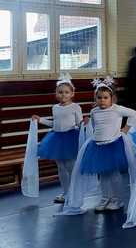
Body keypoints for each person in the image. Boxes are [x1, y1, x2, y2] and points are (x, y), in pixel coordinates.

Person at [76, 78, 136, 212]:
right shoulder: (94, 111)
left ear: (112, 98)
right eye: (99, 98)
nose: (102, 100)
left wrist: (126, 129)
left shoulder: (117, 109)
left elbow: (133, 114)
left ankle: (117, 199)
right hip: (98, 145)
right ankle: (105, 198)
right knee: (103, 175)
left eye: (105, 97)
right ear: (95, 99)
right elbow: (95, 126)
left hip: (113, 145)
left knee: (114, 174)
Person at [31, 75, 83, 203]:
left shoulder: (75, 107)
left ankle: (74, 191)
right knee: (61, 168)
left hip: (70, 138)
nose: (63, 95)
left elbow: (79, 123)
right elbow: (55, 124)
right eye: (60, 92)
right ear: (56, 93)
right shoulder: (55, 108)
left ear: (72, 93)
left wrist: (86, 124)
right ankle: (65, 192)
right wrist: (40, 120)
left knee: (71, 167)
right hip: (57, 139)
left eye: (66, 92)